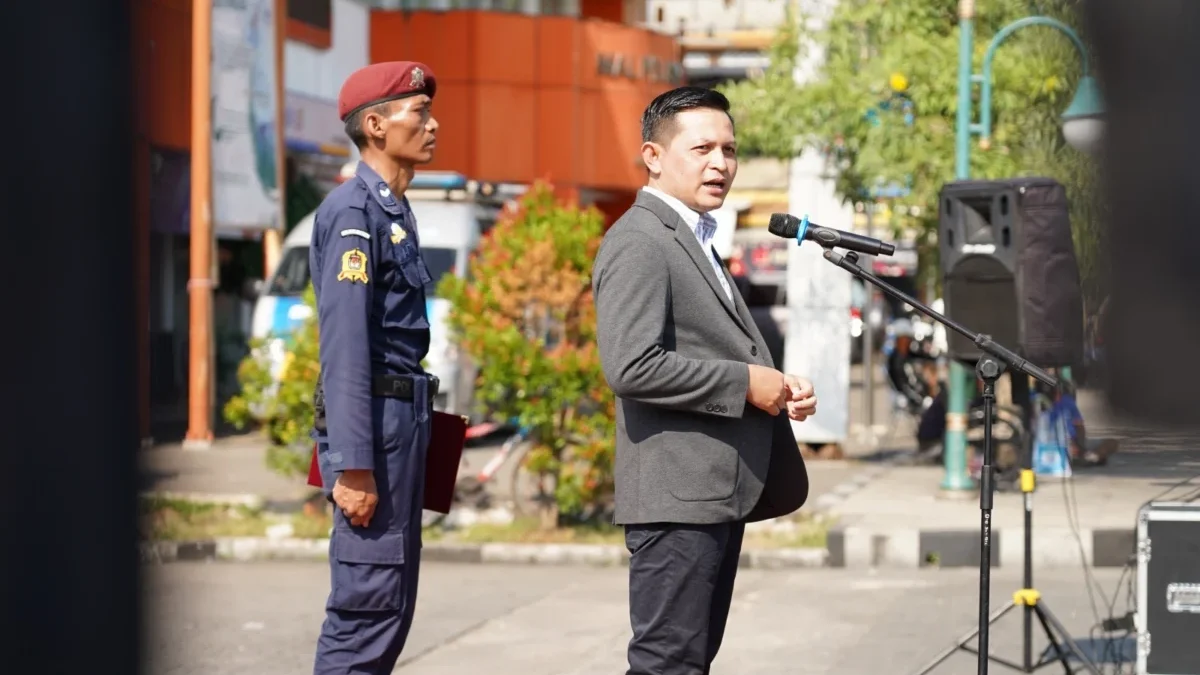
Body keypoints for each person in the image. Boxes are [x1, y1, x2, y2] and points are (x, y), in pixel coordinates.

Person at [592, 86, 818, 675]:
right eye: (702, 149)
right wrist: (744, 384)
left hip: (711, 494)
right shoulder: (641, 239)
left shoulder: (696, 236)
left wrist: (777, 384)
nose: (720, 163)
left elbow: (709, 345)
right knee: (668, 662)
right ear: (654, 155)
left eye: (730, 149)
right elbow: (631, 365)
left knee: (688, 661)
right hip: (676, 497)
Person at [309, 60, 440, 675]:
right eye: (419, 113)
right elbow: (345, 347)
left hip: (402, 421)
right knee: (367, 605)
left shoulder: (393, 210)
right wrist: (352, 464)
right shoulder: (353, 213)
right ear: (376, 124)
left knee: (392, 604)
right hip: (377, 432)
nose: (433, 124)